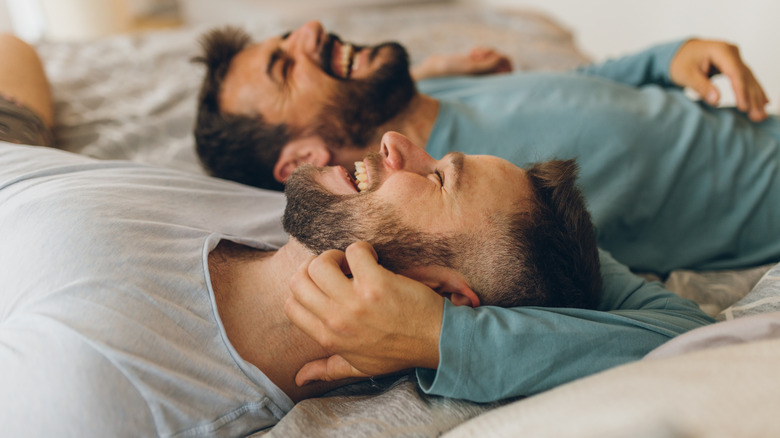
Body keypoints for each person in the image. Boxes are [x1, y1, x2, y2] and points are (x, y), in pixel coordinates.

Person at [1, 33, 712, 435]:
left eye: (438, 179)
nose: (398, 143)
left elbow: (685, 345)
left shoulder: (92, 393)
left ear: (444, 293)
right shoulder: (298, 205)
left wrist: (448, 341)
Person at [193, 21, 780, 276]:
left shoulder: (420, 95)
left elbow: (577, 91)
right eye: (284, 65)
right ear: (299, 162)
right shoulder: (476, 205)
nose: (311, 31)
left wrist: (666, 58)